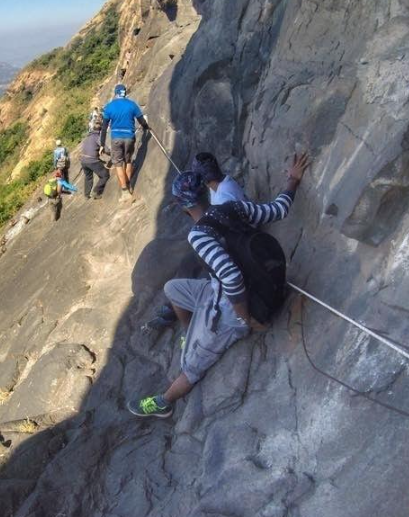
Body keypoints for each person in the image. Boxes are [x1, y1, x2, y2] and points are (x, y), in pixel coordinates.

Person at [128, 152, 311, 418]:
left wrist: (246, 319)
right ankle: (190, 331)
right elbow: (278, 209)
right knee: (172, 289)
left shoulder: (199, 235)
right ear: (205, 191)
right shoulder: (232, 207)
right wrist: (293, 180)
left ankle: (164, 403)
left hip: (235, 308)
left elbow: (232, 277)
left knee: (190, 366)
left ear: (183, 207)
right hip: (246, 285)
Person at [143, 152, 250, 332]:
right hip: (232, 243)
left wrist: (244, 318)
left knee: (194, 268)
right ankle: (172, 307)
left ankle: (184, 322)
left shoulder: (222, 203)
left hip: (233, 256)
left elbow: (230, 274)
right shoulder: (224, 187)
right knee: (188, 262)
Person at [101, 84, 150, 201]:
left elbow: (104, 127)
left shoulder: (109, 107)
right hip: (129, 137)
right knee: (128, 161)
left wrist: (102, 144)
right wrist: (146, 127)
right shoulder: (132, 104)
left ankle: (125, 192)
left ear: (115, 93)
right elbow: (141, 120)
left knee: (118, 164)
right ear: (125, 93)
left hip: (116, 138)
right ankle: (129, 186)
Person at [81, 120, 110, 199]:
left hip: (83, 160)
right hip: (91, 161)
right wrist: (112, 154)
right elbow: (106, 150)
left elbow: (90, 150)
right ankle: (96, 191)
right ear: (100, 130)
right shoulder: (97, 137)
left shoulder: (87, 137)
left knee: (88, 177)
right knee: (105, 175)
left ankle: (86, 195)